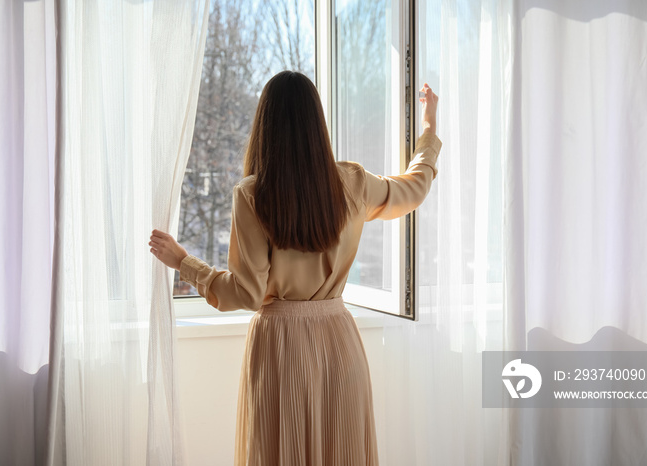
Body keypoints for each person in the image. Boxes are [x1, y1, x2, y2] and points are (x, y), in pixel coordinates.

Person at [149, 71, 441, 466]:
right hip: (338, 343)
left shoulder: (252, 194)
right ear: (316, 124)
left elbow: (248, 294)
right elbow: (414, 187)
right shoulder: (352, 183)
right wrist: (428, 129)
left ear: (264, 127)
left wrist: (185, 263)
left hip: (279, 348)